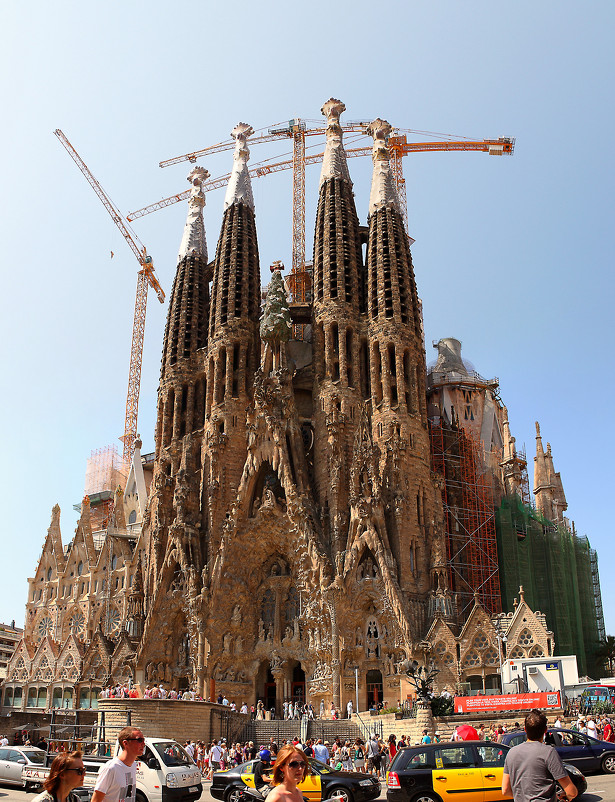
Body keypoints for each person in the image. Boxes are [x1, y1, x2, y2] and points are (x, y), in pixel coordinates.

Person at [502, 709, 578, 802]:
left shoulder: (511, 753)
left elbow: (505, 790)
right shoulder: (548, 752)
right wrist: (565, 797)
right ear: (545, 730)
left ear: (525, 729)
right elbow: (571, 792)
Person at [92, 727, 145, 802]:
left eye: (143, 740)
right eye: (139, 740)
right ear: (125, 743)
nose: (143, 744)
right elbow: (96, 800)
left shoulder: (133, 766)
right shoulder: (111, 768)